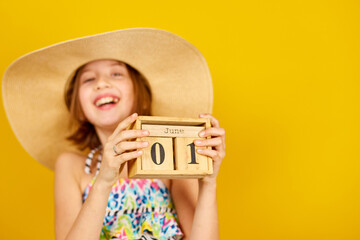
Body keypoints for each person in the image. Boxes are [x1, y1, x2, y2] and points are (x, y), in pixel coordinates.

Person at [2, 28, 225, 240]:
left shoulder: (171, 159)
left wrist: (208, 184)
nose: (101, 83)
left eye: (116, 73)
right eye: (89, 79)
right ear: (78, 109)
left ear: (143, 97)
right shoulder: (72, 166)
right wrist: (104, 180)